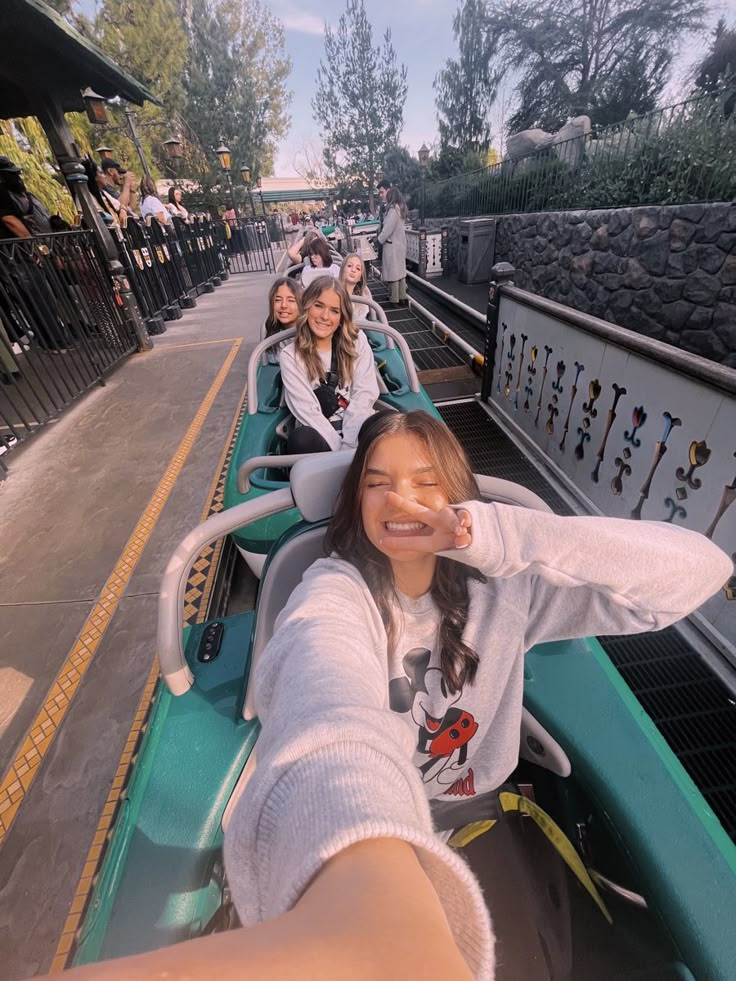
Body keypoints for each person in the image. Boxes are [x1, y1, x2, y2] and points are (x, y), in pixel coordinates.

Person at [224, 408, 732, 978]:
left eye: (424, 484)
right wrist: (359, 861)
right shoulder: (337, 592)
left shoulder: (506, 589)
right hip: (383, 831)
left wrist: (497, 534)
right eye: (377, 485)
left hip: (481, 816)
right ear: (356, 501)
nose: (400, 501)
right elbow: (321, 690)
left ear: (458, 497)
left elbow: (699, 570)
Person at [279, 276, 378, 454]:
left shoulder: (357, 341)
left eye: (334, 310)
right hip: (320, 435)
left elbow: (365, 394)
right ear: (307, 308)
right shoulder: (290, 356)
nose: (325, 316)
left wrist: (350, 444)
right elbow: (308, 412)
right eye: (318, 306)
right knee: (301, 440)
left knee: (391, 423)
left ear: (342, 317)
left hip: (356, 429)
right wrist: (342, 454)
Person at [261, 276, 303, 363]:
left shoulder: (311, 332)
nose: (283, 305)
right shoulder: (270, 330)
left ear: (300, 304)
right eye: (278, 300)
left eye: (291, 300)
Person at [377, 186, 408, 305]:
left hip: (392, 245)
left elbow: (387, 229)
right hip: (400, 244)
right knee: (400, 272)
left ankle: (394, 298)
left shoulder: (393, 210)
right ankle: (402, 296)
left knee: (393, 272)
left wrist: (379, 240)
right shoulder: (400, 209)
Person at [338, 251, 373, 321]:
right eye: (349, 266)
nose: (353, 270)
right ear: (342, 269)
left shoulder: (363, 301)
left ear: (360, 277)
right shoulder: (331, 292)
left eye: (358, 269)